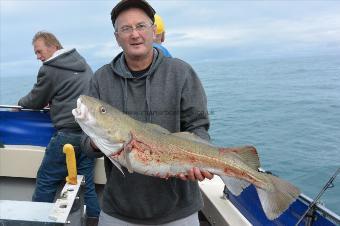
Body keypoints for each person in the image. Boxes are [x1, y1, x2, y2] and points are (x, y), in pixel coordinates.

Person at [80, 0, 213, 225]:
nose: (135, 34)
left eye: (141, 26)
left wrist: (196, 161)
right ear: (117, 37)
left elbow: (198, 126)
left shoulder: (181, 72)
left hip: (179, 209)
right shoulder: (101, 79)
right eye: (126, 28)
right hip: (118, 210)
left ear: (154, 31)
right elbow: (85, 143)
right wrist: (99, 141)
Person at [18, 31, 100, 224]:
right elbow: (70, 91)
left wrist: (20, 102)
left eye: (39, 52)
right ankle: (94, 220)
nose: (38, 57)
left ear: (53, 47)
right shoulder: (81, 62)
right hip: (90, 134)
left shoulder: (50, 68)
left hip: (68, 135)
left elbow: (35, 100)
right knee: (86, 184)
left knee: (46, 179)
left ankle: (36, 222)